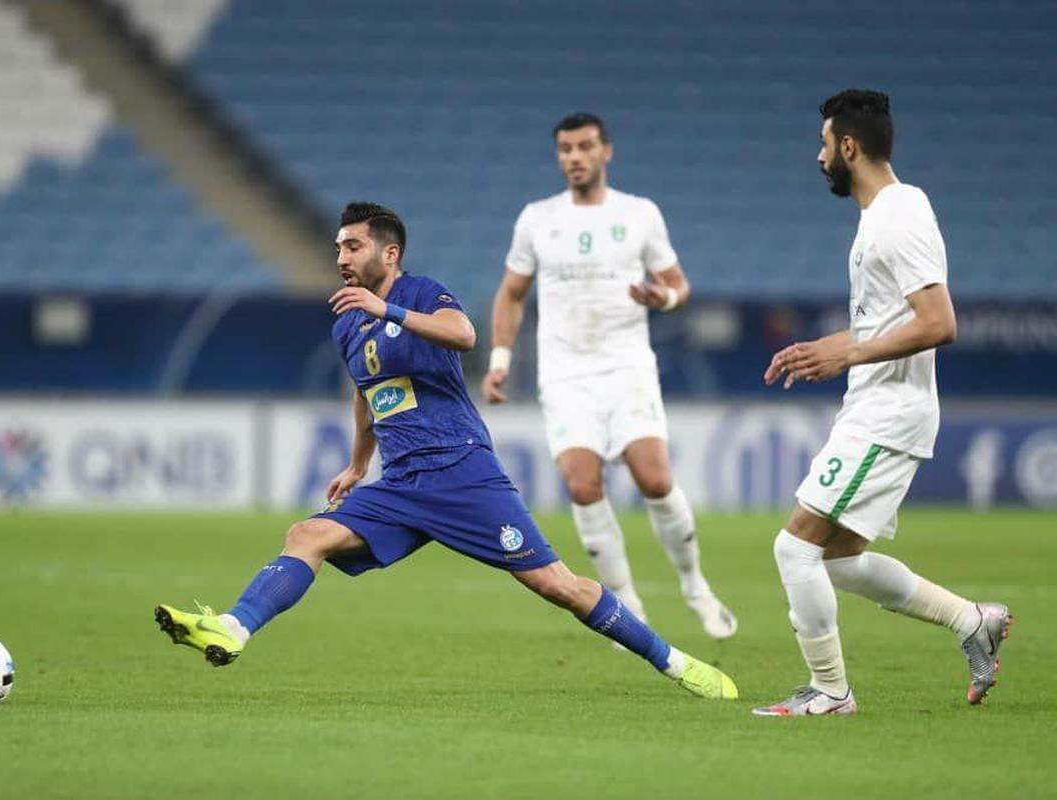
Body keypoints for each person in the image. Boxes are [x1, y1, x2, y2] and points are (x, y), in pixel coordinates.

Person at [154, 201, 738, 700]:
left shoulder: (420, 292)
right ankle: (232, 627)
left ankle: (674, 662)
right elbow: (366, 391)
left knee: (558, 586)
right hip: (401, 483)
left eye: (353, 246)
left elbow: (464, 334)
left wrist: (389, 311)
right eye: (338, 247)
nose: (341, 257)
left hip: (460, 471)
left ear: (389, 254)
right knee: (307, 535)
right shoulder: (346, 324)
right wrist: (358, 463)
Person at [753, 90, 1012, 717]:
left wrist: (849, 357)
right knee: (837, 560)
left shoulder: (898, 215)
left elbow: (939, 322)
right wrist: (830, 346)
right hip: (877, 407)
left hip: (888, 411)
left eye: (824, 144)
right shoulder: (882, 216)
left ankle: (830, 691)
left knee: (794, 548)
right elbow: (887, 323)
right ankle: (971, 619)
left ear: (849, 146)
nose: (818, 157)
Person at [482, 112, 736, 639]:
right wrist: (500, 360)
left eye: (584, 146)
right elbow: (511, 293)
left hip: (626, 367)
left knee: (655, 479)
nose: (574, 157)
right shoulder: (537, 219)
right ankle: (628, 605)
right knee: (582, 484)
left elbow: (678, 285)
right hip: (566, 373)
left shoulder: (639, 214)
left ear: (606, 152)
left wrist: (663, 298)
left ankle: (695, 586)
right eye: (565, 149)